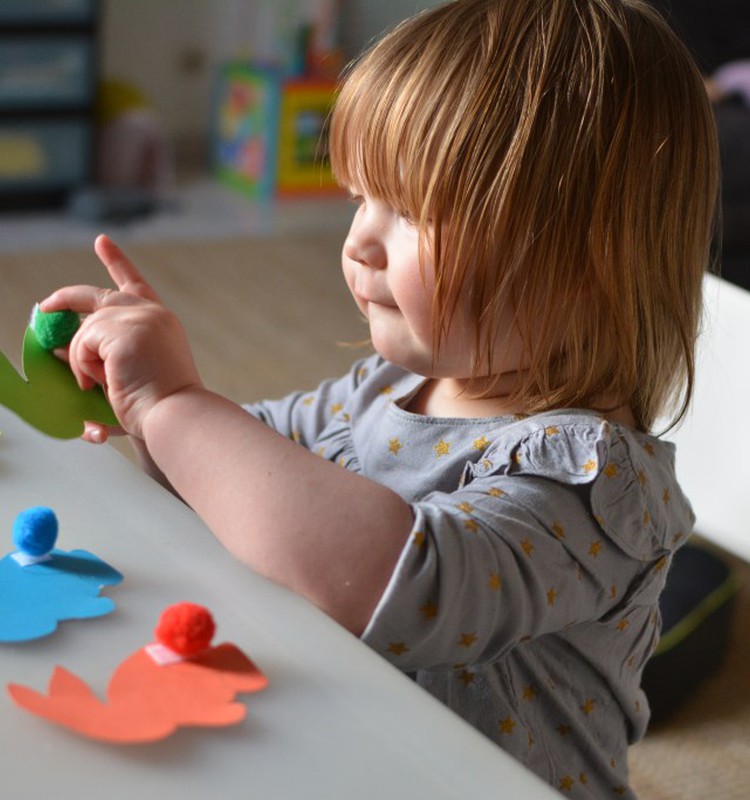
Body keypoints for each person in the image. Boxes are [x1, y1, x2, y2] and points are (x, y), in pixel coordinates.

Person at [40, 0, 718, 796]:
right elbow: (244, 470)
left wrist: (170, 403)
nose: (358, 241)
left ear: (583, 267)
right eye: (364, 197)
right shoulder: (392, 387)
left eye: (414, 213)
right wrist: (137, 405)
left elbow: (407, 584)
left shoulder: (595, 480)